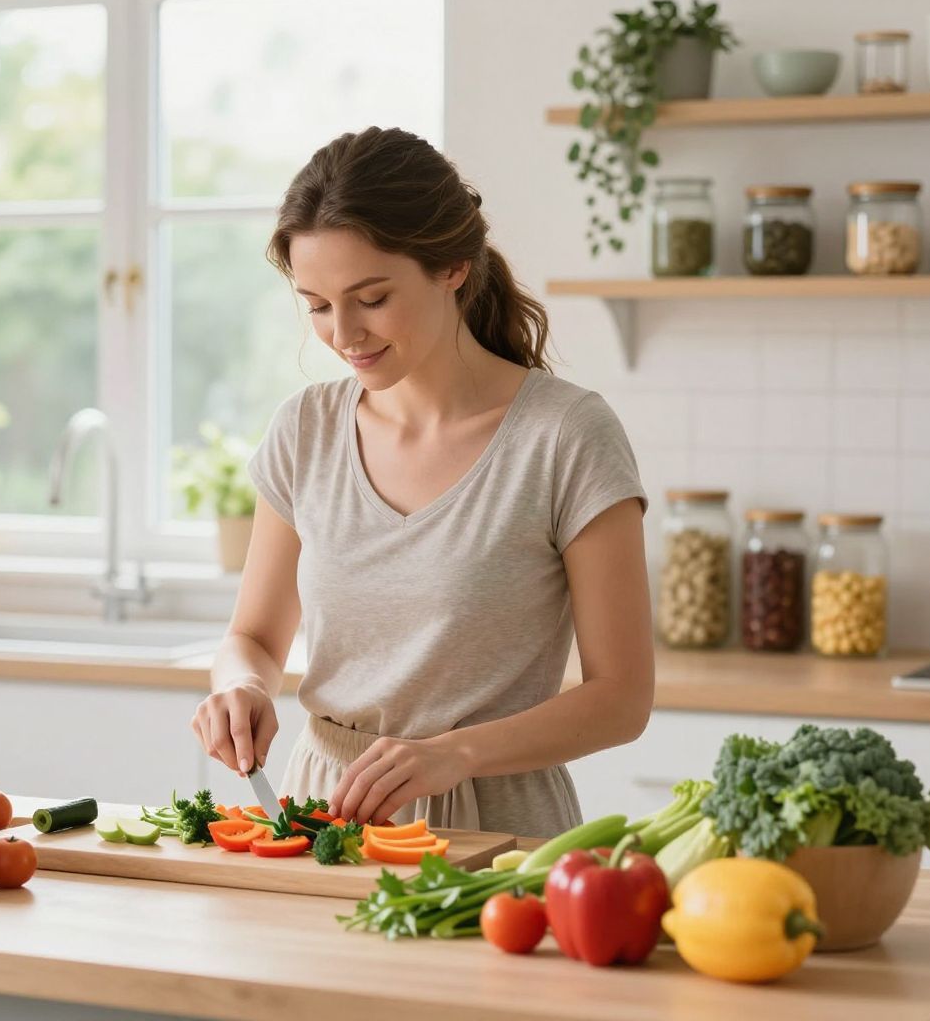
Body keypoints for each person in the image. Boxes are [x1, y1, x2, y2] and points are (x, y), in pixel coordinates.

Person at [189, 126, 654, 838]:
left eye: (371, 298)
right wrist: (240, 685)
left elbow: (623, 698)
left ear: (452, 268)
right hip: (323, 818)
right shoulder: (305, 431)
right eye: (316, 304)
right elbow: (251, 636)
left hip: (497, 831)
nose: (343, 334)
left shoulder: (565, 436)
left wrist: (455, 754)